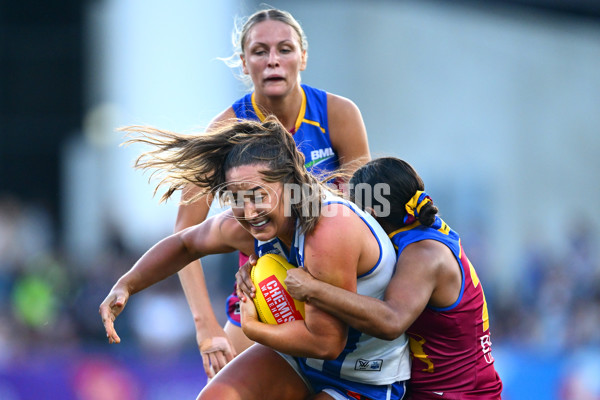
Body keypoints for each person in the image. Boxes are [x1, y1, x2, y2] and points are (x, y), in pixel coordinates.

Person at [100, 118, 409, 400]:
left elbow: (327, 344)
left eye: (258, 195)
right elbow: (185, 244)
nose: (249, 213)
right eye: (236, 198)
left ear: (290, 185)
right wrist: (126, 285)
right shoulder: (253, 224)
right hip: (298, 361)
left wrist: (252, 327)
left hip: (364, 377)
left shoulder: (328, 228)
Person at [175, 7, 370, 378]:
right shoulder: (225, 130)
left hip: (337, 287)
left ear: (303, 56)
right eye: (260, 51)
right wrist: (206, 327)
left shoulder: (338, 115)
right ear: (244, 63)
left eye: (284, 49)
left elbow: (368, 213)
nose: (273, 61)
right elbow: (185, 236)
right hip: (266, 289)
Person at [237, 157, 504, 399]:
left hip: (460, 394)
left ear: (371, 215)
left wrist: (312, 290)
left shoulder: (424, 255)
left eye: (354, 209)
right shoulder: (412, 233)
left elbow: (391, 321)